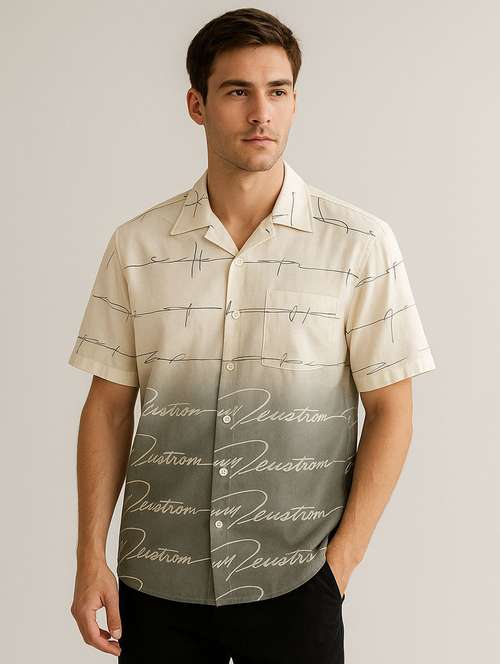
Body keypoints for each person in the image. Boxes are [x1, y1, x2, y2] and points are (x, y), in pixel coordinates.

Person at [68, 7, 437, 663]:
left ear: (295, 102)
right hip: (157, 580)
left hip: (296, 580)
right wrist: (88, 554)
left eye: (278, 91)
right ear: (197, 105)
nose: (260, 113)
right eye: (237, 91)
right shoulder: (137, 246)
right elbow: (108, 406)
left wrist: (339, 567)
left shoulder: (359, 244)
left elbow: (392, 409)